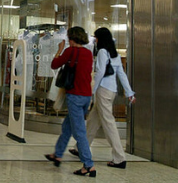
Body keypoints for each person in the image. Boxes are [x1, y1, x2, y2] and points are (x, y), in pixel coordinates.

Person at [69, 27, 136, 169]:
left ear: (100, 39)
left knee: (108, 123)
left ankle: (119, 158)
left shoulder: (102, 52)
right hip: (111, 91)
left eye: (96, 37)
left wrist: (92, 90)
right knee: (93, 120)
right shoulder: (114, 54)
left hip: (103, 91)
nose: (95, 40)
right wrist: (129, 92)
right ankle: (80, 148)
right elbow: (122, 74)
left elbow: (100, 72)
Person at [44, 26, 96, 177]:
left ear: (71, 38)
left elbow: (54, 65)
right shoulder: (88, 53)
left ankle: (88, 165)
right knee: (68, 126)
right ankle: (58, 154)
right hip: (87, 96)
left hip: (74, 96)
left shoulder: (70, 51)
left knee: (79, 132)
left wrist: (60, 49)